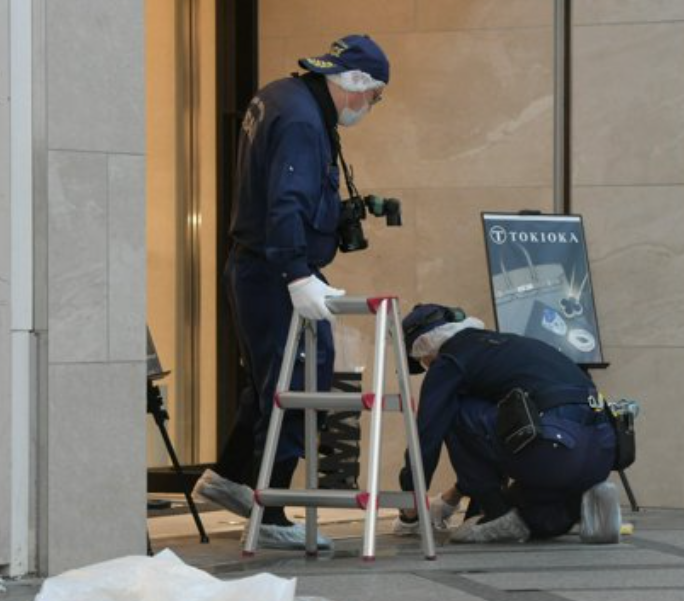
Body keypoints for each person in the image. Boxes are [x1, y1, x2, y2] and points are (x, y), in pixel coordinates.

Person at [192, 35, 390, 550]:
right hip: (274, 271)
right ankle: (271, 508)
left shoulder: (281, 95)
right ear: (355, 84)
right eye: (374, 97)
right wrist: (298, 276)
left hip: (261, 267)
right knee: (298, 383)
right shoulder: (303, 120)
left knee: (271, 382)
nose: (371, 107)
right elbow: (286, 202)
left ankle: (234, 479)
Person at [394, 303, 622, 544]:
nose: (426, 367)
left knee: (452, 409)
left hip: (555, 448)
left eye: (422, 362)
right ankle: (583, 502)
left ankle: (496, 514)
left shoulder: (449, 361)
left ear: (424, 348)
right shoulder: (508, 346)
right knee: (531, 519)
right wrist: (455, 495)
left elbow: (426, 436)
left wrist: (411, 501)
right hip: (602, 450)